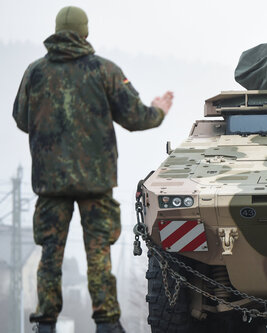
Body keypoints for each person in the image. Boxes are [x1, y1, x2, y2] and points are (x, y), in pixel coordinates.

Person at [12, 6, 173, 333]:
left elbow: (21, 118)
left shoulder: (35, 73)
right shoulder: (104, 71)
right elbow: (136, 118)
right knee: (98, 255)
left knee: (49, 256)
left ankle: (45, 324)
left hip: (50, 183)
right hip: (95, 184)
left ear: (56, 31)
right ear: (85, 32)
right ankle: (107, 324)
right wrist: (158, 110)